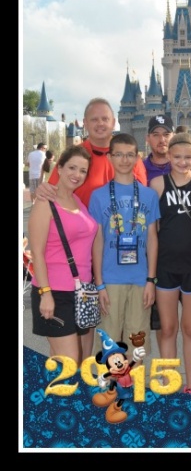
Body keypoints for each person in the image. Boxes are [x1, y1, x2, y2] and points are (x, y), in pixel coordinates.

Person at [150, 133, 191, 393]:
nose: (183, 161)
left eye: (188, 157)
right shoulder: (157, 183)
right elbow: (153, 229)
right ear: (169, 157)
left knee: (190, 329)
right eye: (177, 157)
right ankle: (168, 384)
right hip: (166, 264)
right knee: (167, 328)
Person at [89, 133, 160, 360]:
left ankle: (135, 391)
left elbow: (152, 238)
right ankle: (107, 392)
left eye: (130, 155)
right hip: (110, 280)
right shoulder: (98, 196)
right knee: (108, 342)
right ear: (109, 157)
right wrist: (99, 284)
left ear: (137, 157)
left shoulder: (149, 195)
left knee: (137, 341)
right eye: (118, 154)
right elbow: (97, 241)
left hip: (140, 279)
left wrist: (151, 280)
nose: (124, 160)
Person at [29, 145, 98, 365]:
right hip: (55, 292)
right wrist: (45, 293)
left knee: (60, 362)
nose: (76, 175)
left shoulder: (77, 201)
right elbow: (37, 253)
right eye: (72, 168)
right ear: (59, 167)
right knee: (69, 362)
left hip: (80, 293)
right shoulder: (45, 202)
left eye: (82, 171)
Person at [36, 98, 147, 206]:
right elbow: (51, 193)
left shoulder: (130, 157)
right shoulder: (72, 156)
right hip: (82, 223)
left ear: (113, 123)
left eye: (105, 119)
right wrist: (44, 190)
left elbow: (143, 198)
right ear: (85, 123)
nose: (100, 123)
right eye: (94, 119)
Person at [143, 114, 175, 346]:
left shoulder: (188, 168)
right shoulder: (139, 170)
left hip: (186, 254)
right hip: (152, 254)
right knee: (162, 325)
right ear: (148, 139)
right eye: (156, 134)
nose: (161, 139)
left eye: (166, 134)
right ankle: (167, 379)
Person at [143, 114, 175, 184]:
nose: (162, 140)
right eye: (156, 135)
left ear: (174, 137)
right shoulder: (140, 169)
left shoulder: (185, 167)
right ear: (147, 138)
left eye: (166, 134)